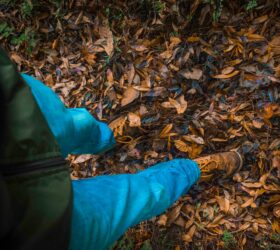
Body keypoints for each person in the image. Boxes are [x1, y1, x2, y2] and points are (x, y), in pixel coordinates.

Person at [0, 46, 243, 250]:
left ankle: (105, 139)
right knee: (138, 195)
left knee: (72, 125)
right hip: (37, 231)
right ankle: (192, 170)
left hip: (11, 112)